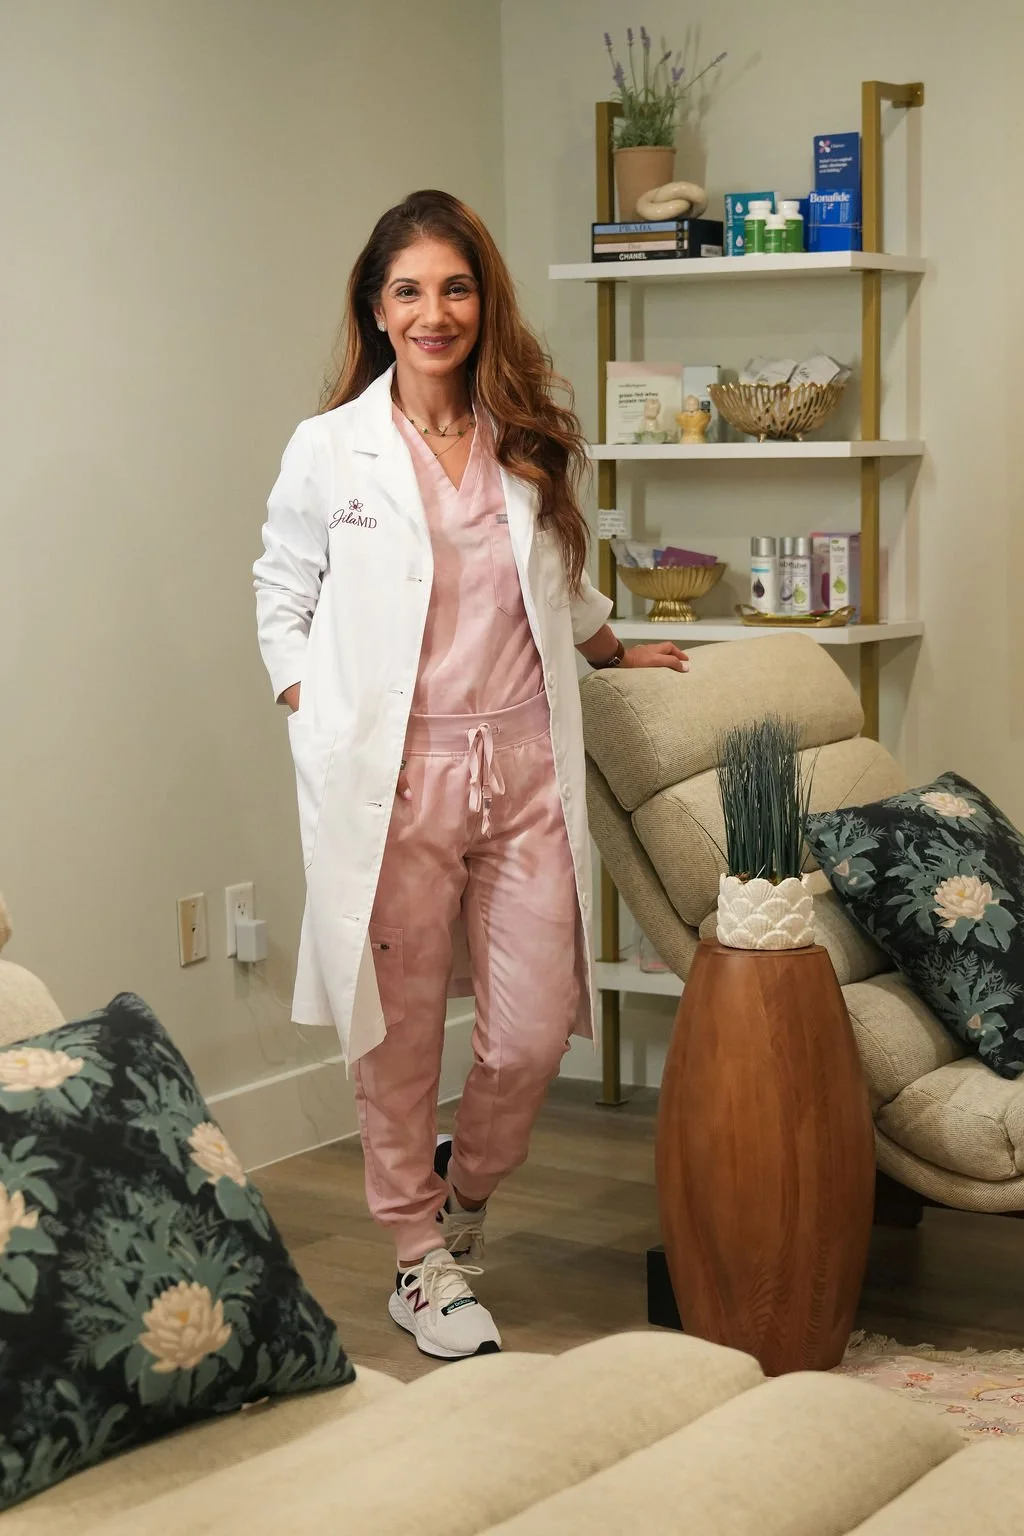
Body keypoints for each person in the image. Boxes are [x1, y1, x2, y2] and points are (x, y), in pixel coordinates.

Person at [254, 189, 688, 1360]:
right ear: (377, 308)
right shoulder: (329, 447)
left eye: (454, 287)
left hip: (524, 763)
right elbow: (279, 591)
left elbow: (553, 581)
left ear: (482, 300)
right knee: (396, 1031)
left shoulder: (529, 436)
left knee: (537, 1029)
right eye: (409, 291)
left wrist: (610, 645)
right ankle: (413, 1256)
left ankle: (467, 1187)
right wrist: (312, 707)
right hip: (395, 773)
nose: (433, 312)